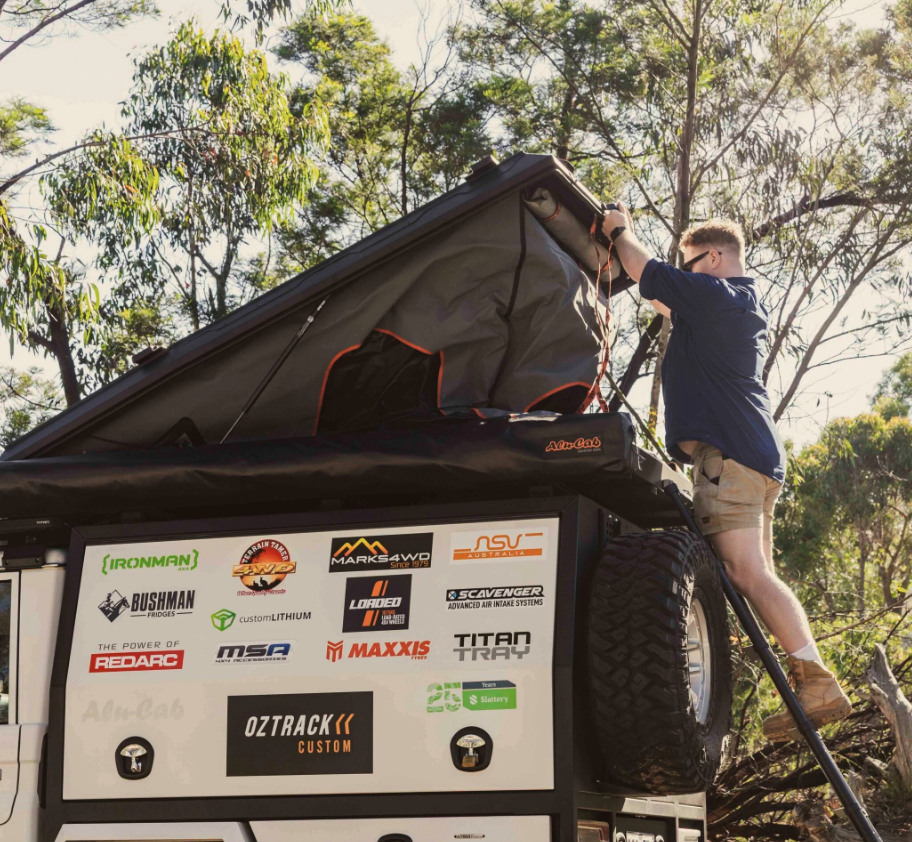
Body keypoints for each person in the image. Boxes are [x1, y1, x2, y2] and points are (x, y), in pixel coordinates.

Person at [601, 204, 851, 741]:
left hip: (732, 460)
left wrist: (620, 230)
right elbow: (661, 293)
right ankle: (813, 677)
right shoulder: (727, 306)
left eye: (690, 266)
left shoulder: (718, 296)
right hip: (753, 457)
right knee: (757, 571)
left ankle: (818, 683)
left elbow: (650, 274)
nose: (685, 275)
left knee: (744, 572)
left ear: (714, 259)